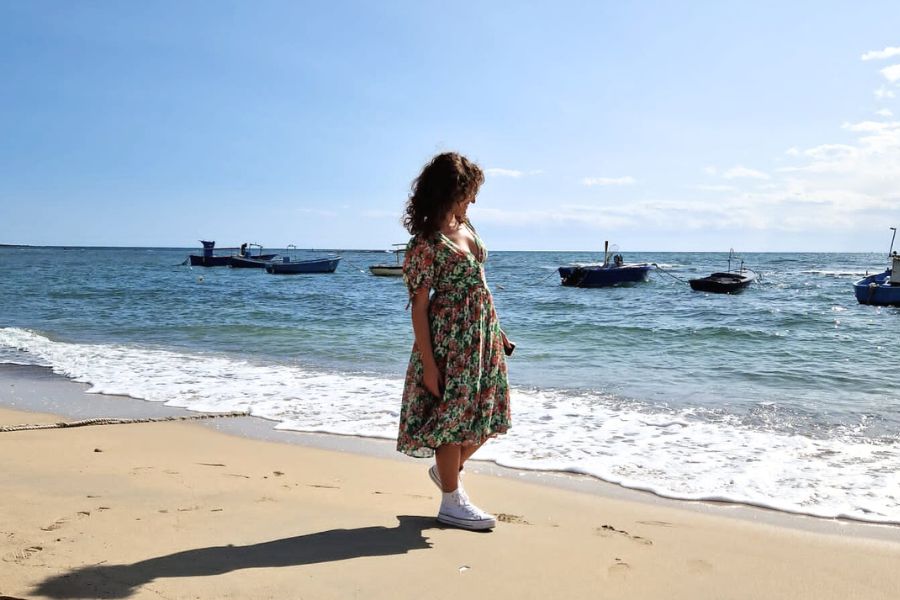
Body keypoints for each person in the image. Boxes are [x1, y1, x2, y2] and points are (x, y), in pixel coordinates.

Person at [397, 152, 513, 531]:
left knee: (490, 414)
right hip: (449, 342)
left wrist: (497, 331)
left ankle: (447, 471)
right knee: (452, 417)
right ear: (450, 190)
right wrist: (429, 364)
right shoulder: (426, 242)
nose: (474, 200)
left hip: (481, 335)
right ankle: (451, 500)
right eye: (468, 191)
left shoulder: (466, 225)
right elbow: (418, 307)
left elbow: (479, 284)